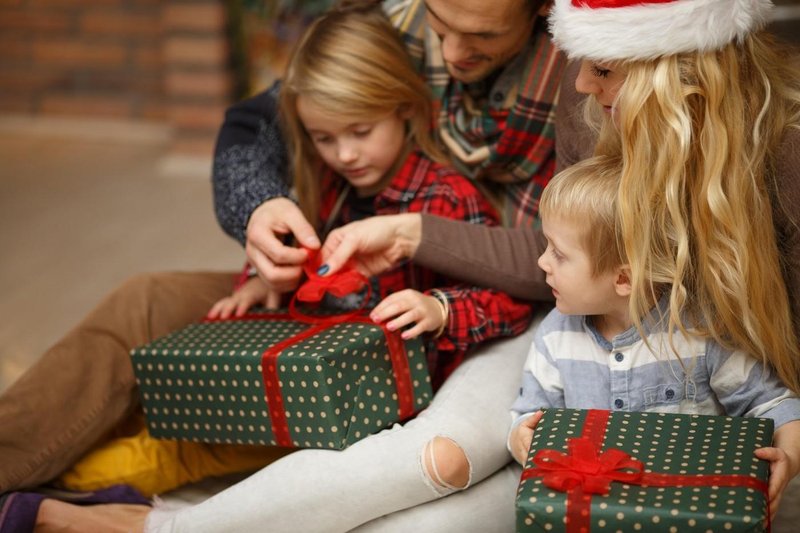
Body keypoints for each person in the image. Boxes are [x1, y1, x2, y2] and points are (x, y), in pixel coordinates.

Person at [1, 0, 560, 531]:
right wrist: (259, 251)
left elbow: (532, 279)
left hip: (419, 362)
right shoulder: (386, 44)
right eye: (441, 24)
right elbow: (256, 124)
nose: (453, 51)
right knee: (149, 329)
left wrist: (437, 301)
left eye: (483, 34)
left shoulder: (576, 86)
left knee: (185, 444)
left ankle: (73, 499)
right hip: (319, 345)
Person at [506, 154, 800, 515]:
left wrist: (789, 454)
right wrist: (521, 436)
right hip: (596, 511)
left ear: (624, 278)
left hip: (692, 507)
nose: (542, 262)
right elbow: (530, 414)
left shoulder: (701, 333)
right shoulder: (555, 335)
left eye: (559, 254)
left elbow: (772, 404)